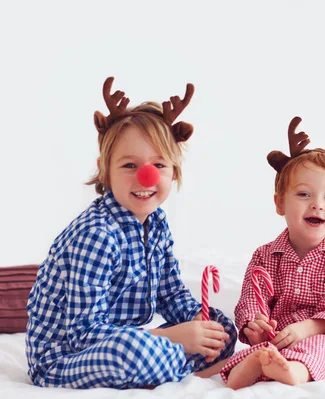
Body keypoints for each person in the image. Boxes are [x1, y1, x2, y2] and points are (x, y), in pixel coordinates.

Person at [25, 77, 236, 389]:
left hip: (131, 340)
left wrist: (200, 324)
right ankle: (180, 364)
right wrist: (169, 336)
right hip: (65, 357)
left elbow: (171, 294)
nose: (146, 177)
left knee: (222, 330)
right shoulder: (95, 235)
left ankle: (176, 361)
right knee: (135, 354)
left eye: (159, 165)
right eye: (129, 165)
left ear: (173, 171)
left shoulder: (157, 223)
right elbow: (82, 332)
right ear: (105, 169)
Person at [221, 116, 325, 389]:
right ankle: (247, 370)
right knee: (256, 350)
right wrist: (254, 327)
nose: (317, 205)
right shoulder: (265, 256)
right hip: (278, 338)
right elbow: (251, 300)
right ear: (280, 203)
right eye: (304, 194)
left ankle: (294, 372)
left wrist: (307, 328)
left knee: (323, 349)